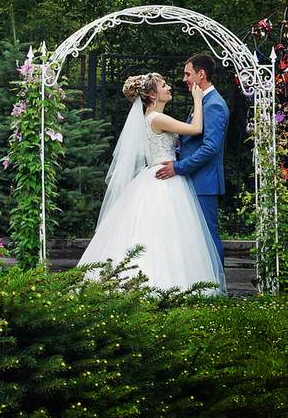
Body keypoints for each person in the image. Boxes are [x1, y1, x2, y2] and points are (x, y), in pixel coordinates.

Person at [77, 72, 226, 293]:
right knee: (166, 231)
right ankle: (164, 283)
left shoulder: (151, 118)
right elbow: (196, 129)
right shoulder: (157, 118)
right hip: (164, 178)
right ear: (153, 95)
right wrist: (197, 100)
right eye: (163, 85)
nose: (169, 88)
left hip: (158, 174)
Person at [155, 54, 229, 264]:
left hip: (204, 182)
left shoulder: (214, 105)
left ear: (201, 74)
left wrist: (178, 167)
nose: (184, 79)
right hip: (194, 179)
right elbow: (193, 142)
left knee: (207, 236)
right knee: (194, 237)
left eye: (188, 74)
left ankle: (216, 280)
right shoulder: (203, 101)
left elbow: (210, 148)